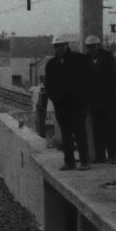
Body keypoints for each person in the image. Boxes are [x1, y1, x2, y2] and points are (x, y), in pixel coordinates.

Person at [42, 36, 91, 171]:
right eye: (56, 46)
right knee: (66, 134)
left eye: (61, 46)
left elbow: (88, 79)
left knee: (80, 133)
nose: (59, 49)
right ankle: (69, 162)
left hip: (77, 104)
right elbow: (48, 84)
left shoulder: (78, 59)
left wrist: (83, 98)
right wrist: (54, 98)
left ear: (66, 45)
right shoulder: (51, 64)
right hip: (61, 105)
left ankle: (85, 161)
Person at [83, 35, 116, 164]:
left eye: (93, 46)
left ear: (98, 46)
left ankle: (112, 155)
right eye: (89, 47)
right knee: (97, 130)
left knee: (111, 128)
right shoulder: (86, 59)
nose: (91, 49)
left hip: (109, 100)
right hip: (94, 101)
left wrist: (108, 91)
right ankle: (100, 156)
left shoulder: (108, 58)